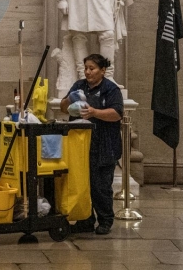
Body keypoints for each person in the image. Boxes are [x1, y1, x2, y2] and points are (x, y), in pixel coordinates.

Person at [59, 53, 123, 236]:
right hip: (80, 145)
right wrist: (69, 100)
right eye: (86, 68)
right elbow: (63, 108)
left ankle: (105, 220)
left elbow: (116, 113)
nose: (87, 72)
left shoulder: (111, 89)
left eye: (92, 68)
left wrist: (95, 112)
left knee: (100, 186)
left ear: (102, 70)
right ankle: (85, 220)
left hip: (104, 145)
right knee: (82, 184)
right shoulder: (79, 85)